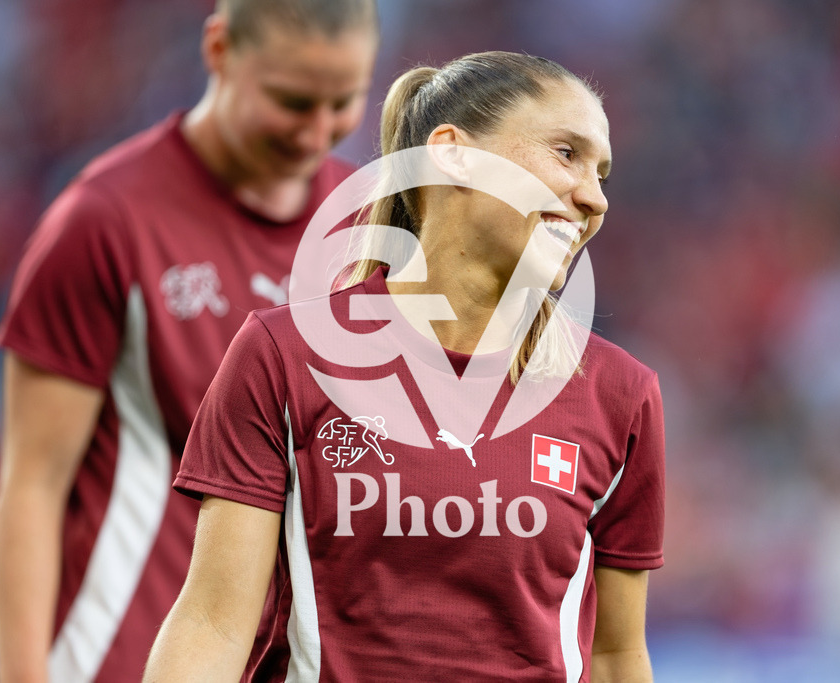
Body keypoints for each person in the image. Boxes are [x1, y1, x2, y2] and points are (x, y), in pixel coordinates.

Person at [146, 50, 666, 682]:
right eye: (566, 154)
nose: (595, 198)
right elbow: (213, 624)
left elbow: (616, 657)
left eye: (602, 173)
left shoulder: (620, 395)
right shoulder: (284, 356)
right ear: (451, 153)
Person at [0, 1, 379, 681]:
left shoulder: (371, 229)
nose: (317, 132)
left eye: (342, 102)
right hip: (120, 657)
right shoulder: (106, 222)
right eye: (291, 102)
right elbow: (33, 487)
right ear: (219, 49)